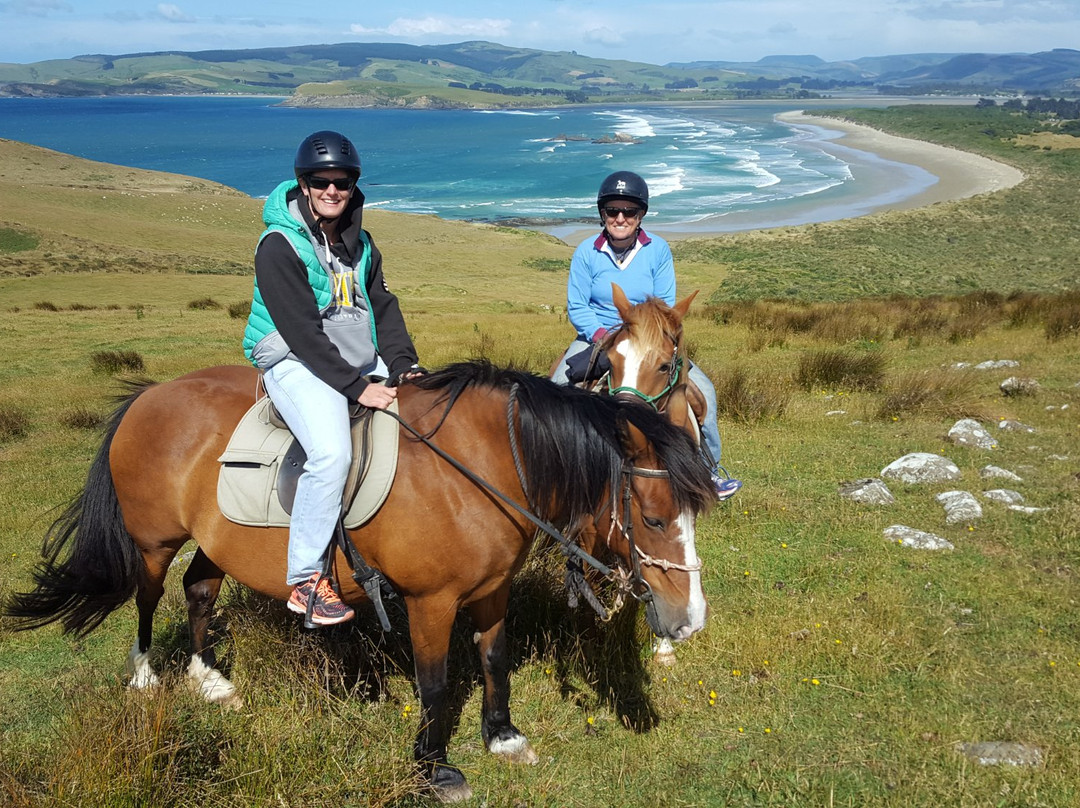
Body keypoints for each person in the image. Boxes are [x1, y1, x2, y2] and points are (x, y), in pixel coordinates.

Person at [242, 130, 424, 626]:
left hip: (355, 358)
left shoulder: (361, 244)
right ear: (302, 185)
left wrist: (405, 365)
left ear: (352, 186)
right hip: (292, 360)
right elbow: (301, 333)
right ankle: (306, 579)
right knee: (331, 453)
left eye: (341, 182)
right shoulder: (278, 246)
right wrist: (358, 386)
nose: (331, 190)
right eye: (320, 181)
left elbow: (384, 308)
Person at [552, 170, 741, 501]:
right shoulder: (586, 252)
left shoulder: (658, 250)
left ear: (641, 216)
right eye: (613, 211)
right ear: (602, 214)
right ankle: (555, 474)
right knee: (555, 388)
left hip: (650, 339)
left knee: (705, 394)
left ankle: (709, 470)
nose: (620, 218)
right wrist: (604, 336)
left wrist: (644, 337)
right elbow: (577, 305)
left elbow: (665, 305)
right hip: (598, 336)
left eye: (630, 211)